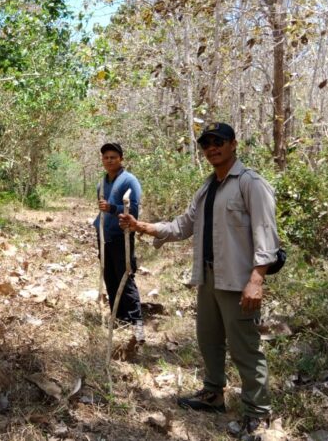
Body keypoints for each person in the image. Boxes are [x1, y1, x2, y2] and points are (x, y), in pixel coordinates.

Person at [118, 122, 279, 439]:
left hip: (238, 280)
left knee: (245, 347)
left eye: (218, 141)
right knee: (209, 339)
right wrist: (141, 226)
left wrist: (257, 279)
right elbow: (182, 226)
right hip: (208, 277)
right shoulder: (207, 188)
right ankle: (213, 394)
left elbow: (266, 234)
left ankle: (258, 414)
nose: (212, 147)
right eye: (206, 143)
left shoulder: (251, 184)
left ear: (233, 144)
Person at [93, 143, 144, 341]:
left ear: (121, 158)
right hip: (104, 235)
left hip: (121, 236)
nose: (109, 160)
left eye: (113, 157)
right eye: (106, 157)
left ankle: (137, 324)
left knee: (125, 277)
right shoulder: (101, 182)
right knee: (110, 277)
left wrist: (113, 209)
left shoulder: (130, 181)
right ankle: (119, 317)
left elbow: (134, 212)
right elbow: (101, 209)